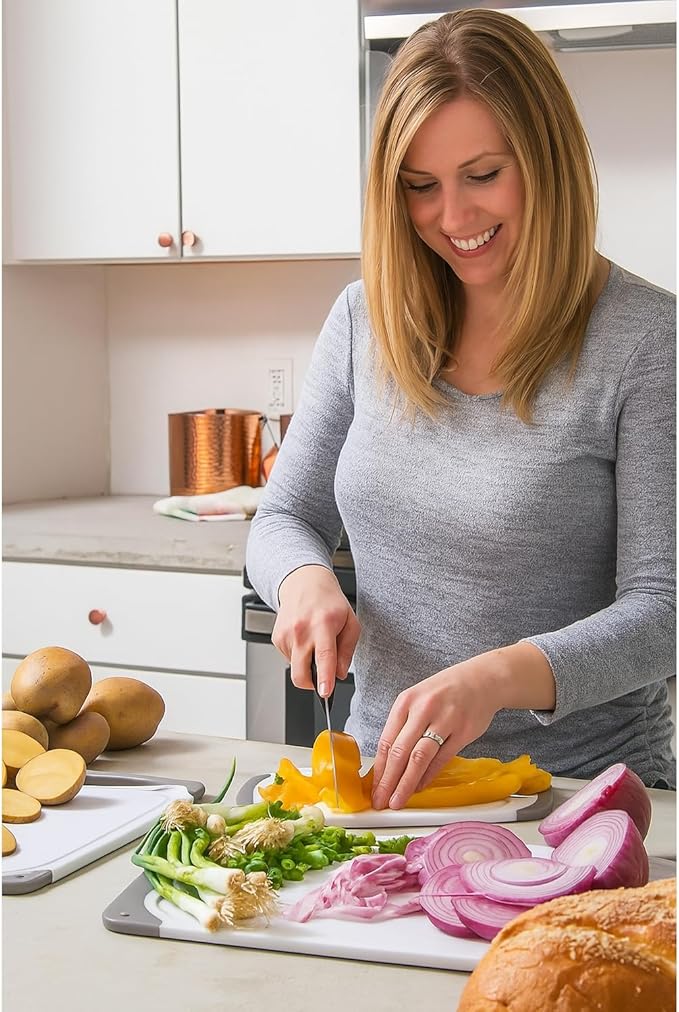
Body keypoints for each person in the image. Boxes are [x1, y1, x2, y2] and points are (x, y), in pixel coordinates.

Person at [245, 9, 675, 808]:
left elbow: (662, 611)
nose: (452, 218)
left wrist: (497, 678)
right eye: (419, 186)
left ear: (545, 161)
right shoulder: (362, 320)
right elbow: (282, 518)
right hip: (389, 792)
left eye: (482, 175)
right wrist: (303, 581)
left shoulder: (647, 339)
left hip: (582, 795)